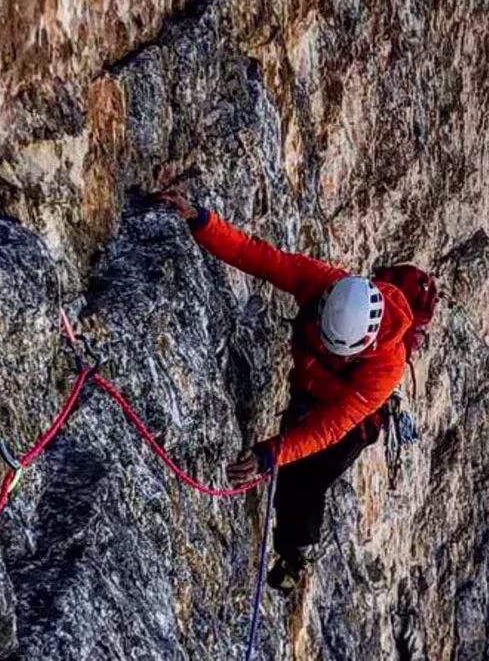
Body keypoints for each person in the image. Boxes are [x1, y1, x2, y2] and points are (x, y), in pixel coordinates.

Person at [155, 188, 438, 592]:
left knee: (308, 474)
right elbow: (260, 258)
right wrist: (201, 220)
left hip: (354, 416)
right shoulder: (326, 284)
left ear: (365, 344)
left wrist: (271, 453)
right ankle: (294, 538)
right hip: (313, 387)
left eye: (333, 347)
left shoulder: (385, 367)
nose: (323, 343)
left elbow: (330, 426)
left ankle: (295, 554)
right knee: (293, 461)